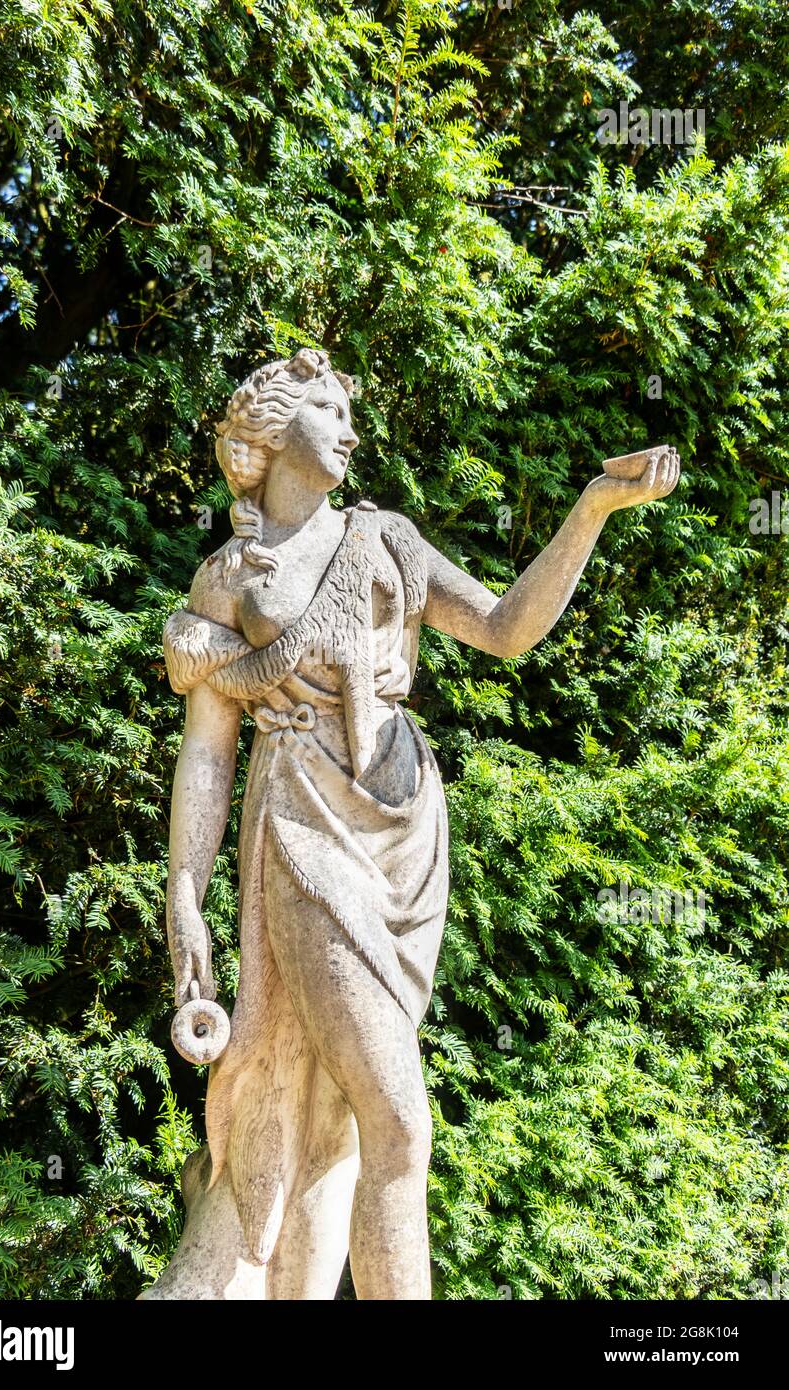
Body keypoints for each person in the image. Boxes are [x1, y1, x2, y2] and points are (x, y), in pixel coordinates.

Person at [143, 346, 679, 1300]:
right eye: (329, 408)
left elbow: (509, 628)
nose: (350, 427)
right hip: (302, 827)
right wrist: (185, 901)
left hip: (405, 830)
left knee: (340, 1117)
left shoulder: (386, 538)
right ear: (270, 432)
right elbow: (207, 758)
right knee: (397, 1113)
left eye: (352, 410)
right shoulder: (228, 579)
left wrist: (592, 507)